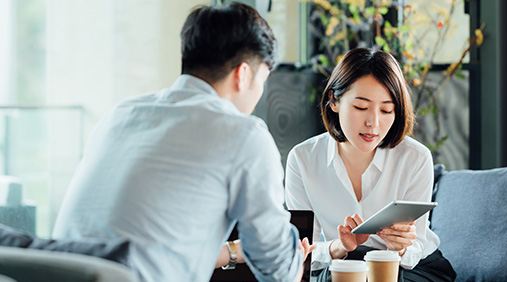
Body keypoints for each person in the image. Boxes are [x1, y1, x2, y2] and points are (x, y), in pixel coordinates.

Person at [53, 3, 313, 282]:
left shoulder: (120, 114)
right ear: (243, 74)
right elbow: (278, 271)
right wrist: (294, 261)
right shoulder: (243, 133)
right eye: (263, 80)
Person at [284, 48, 456, 281]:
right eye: (361, 107)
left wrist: (402, 246)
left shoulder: (415, 158)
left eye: (386, 110)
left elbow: (417, 247)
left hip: (410, 268)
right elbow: (302, 252)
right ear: (333, 101)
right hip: (341, 264)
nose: (373, 123)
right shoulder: (303, 159)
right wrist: (341, 246)